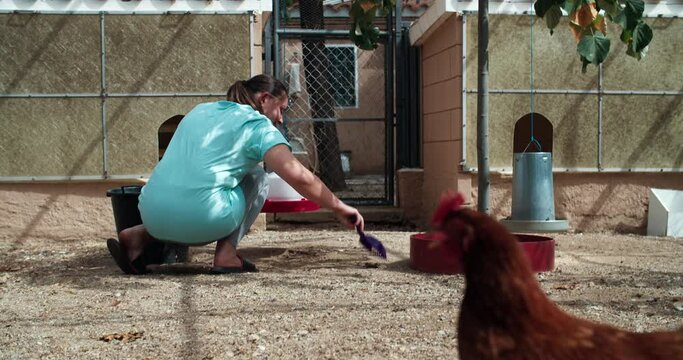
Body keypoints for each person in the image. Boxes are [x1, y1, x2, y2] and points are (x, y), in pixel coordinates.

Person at [107, 74, 364, 274]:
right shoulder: (257, 126)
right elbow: (298, 176)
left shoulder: (200, 110)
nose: (281, 119)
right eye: (282, 109)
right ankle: (227, 254)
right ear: (264, 99)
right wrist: (338, 206)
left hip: (150, 210)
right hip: (203, 218)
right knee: (257, 177)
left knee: (192, 182)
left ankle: (137, 234)